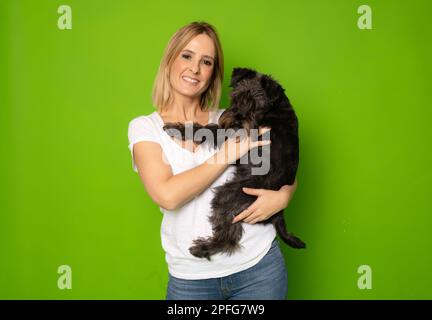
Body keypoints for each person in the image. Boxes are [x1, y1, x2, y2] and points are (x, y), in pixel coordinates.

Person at [127, 21, 298, 300]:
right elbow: (167, 195)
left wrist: (284, 196)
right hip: (192, 279)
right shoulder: (146, 127)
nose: (194, 68)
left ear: (212, 74)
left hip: (258, 270)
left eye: (206, 62)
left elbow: (281, 162)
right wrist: (227, 154)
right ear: (170, 60)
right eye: (187, 55)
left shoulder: (232, 119)